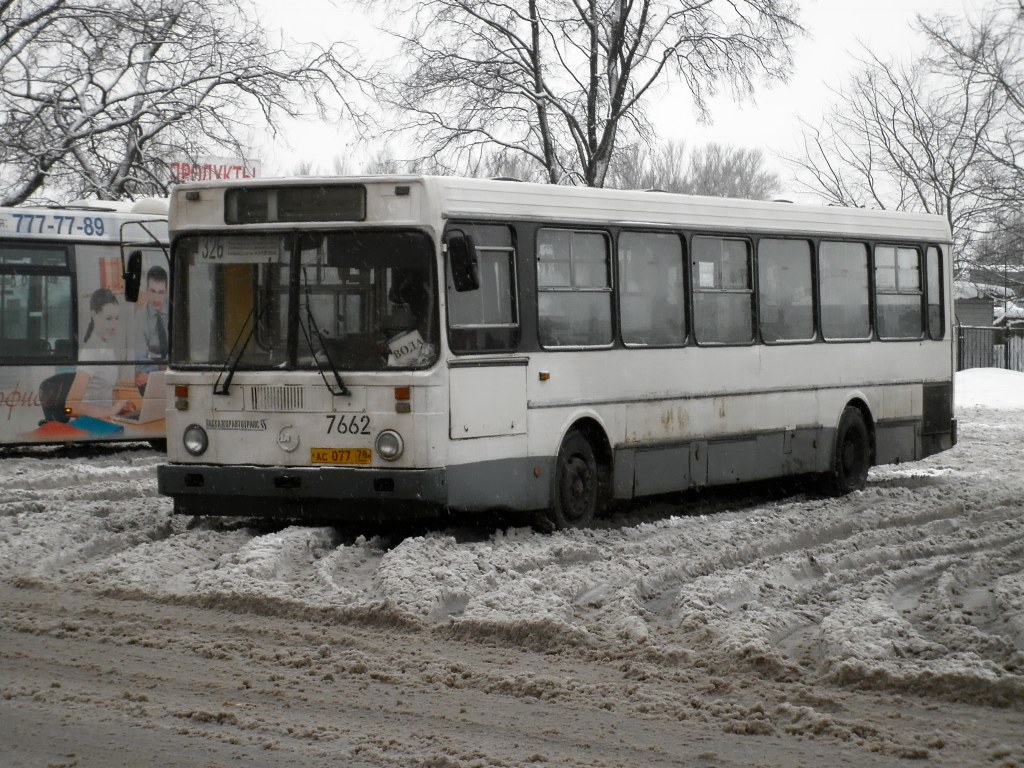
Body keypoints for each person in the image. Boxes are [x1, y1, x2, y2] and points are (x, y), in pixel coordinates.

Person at [65, 288, 132, 419]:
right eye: (108, 318)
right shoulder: (91, 352)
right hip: (87, 425)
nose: (113, 325)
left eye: (116, 318)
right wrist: (113, 410)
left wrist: (119, 406)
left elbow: (103, 393)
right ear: (94, 315)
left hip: (103, 420)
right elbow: (71, 407)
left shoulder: (107, 346)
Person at [135, 265, 168, 391]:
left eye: (161, 292)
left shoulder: (176, 313)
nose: (156, 298)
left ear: (166, 291)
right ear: (146, 290)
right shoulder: (139, 317)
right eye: (153, 291)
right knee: (143, 379)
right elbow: (140, 359)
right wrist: (161, 368)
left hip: (176, 375)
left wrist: (163, 367)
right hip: (150, 380)